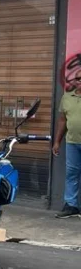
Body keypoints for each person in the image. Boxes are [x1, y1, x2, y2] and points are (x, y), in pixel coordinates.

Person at [53, 88, 81, 218]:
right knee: (72, 173)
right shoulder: (67, 97)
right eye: (78, 78)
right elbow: (63, 121)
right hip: (72, 142)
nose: (80, 80)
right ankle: (71, 205)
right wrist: (57, 141)